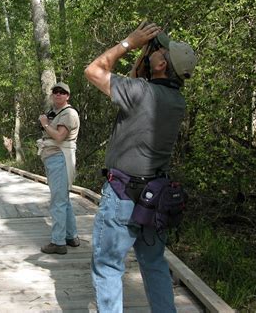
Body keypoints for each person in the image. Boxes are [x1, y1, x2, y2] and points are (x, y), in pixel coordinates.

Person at [84, 21, 197, 312]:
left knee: (108, 266)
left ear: (161, 65)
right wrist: (146, 58)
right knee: (154, 263)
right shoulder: (176, 101)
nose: (154, 51)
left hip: (122, 196)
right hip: (155, 199)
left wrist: (129, 43)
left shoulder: (139, 93)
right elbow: (142, 80)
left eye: (159, 51)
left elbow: (93, 71)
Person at [37, 81, 80, 255]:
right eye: (55, 91)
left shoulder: (69, 113)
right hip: (54, 158)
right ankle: (71, 236)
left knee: (58, 202)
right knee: (64, 199)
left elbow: (60, 137)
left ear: (67, 96)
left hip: (60, 158)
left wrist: (45, 124)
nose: (58, 94)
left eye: (62, 92)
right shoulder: (56, 112)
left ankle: (58, 242)